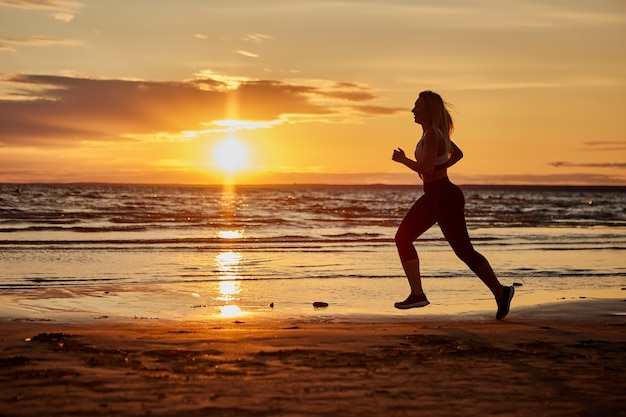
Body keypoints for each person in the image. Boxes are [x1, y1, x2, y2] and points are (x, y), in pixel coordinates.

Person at [391, 90, 514, 320]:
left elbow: (427, 168)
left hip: (445, 197)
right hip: (434, 196)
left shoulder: (432, 135)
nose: (413, 110)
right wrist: (438, 168)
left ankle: (502, 292)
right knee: (403, 237)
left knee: (464, 251)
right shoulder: (434, 133)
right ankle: (417, 294)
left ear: (429, 111)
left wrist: (404, 160)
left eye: (417, 106)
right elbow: (456, 154)